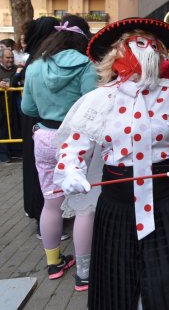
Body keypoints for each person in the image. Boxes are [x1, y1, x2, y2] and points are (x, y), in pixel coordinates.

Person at [55, 17, 169, 309]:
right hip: (118, 206)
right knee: (116, 286)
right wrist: (70, 172)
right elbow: (73, 147)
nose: (149, 47)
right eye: (139, 41)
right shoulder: (99, 99)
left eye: (153, 43)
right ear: (118, 50)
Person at [20, 14, 98, 290]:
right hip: (77, 141)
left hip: (43, 137)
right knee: (85, 207)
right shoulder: (86, 66)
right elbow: (93, 109)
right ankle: (84, 273)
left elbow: (27, 109)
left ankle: (53, 263)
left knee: (51, 202)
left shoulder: (34, 67)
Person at [20, 16, 60, 228]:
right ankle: (43, 216)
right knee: (43, 173)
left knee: (37, 169)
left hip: (33, 120)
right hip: (42, 121)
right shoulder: (41, 60)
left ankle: (40, 213)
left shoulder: (33, 59)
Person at [0, 48, 17, 163]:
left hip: (14, 104)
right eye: (7, 58)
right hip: (1, 105)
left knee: (14, 127)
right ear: (1, 58)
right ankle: (3, 155)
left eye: (12, 57)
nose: (10, 60)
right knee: (3, 129)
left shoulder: (17, 69)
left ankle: (16, 152)